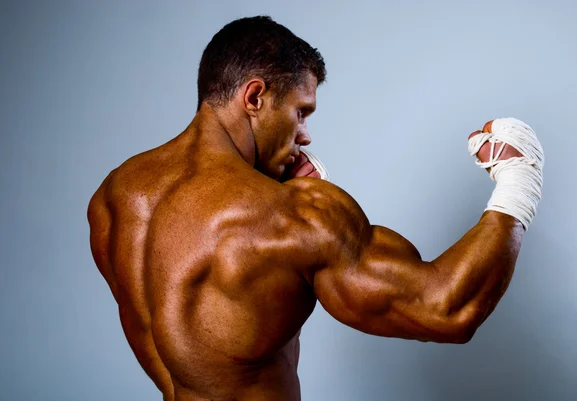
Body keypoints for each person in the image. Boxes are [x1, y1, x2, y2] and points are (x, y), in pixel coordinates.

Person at [87, 15, 544, 401]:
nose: (305, 134)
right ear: (254, 98)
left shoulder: (116, 197)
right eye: (301, 111)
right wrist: (520, 181)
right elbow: (447, 309)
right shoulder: (291, 216)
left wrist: (273, 189)